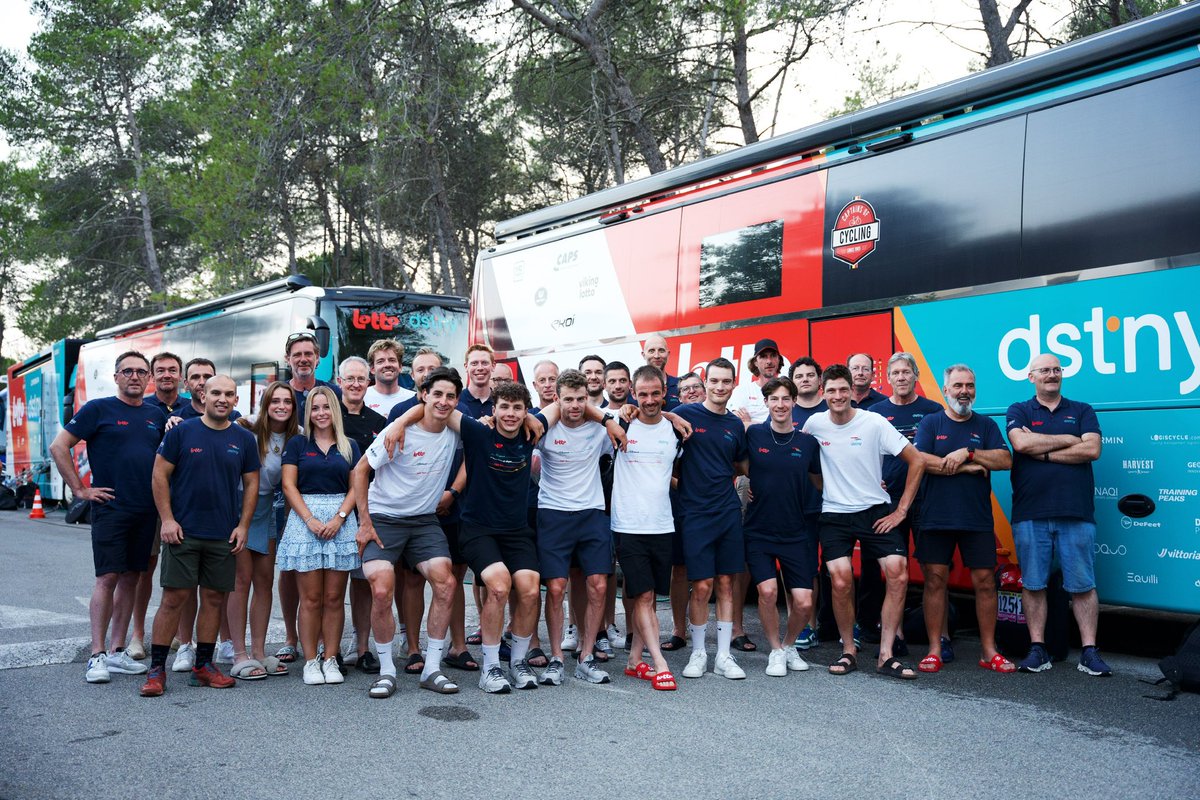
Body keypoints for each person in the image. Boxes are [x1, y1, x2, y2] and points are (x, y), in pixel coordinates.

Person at [802, 364, 924, 680]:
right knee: (840, 580)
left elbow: (917, 460)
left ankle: (885, 655)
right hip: (834, 515)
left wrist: (900, 511)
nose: (838, 395)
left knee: (898, 573)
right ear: (822, 393)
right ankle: (848, 650)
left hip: (875, 511)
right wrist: (825, 486)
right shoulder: (814, 424)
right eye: (831, 390)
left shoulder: (874, 423)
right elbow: (804, 463)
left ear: (851, 392)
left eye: (843, 389)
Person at [140, 375, 260, 696]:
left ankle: (203, 667)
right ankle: (156, 671)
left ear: (236, 401)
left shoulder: (244, 439)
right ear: (203, 396)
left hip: (223, 535)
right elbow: (159, 475)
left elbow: (252, 485)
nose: (222, 398)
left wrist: (243, 526)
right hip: (183, 532)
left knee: (213, 599)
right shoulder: (182, 432)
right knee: (174, 599)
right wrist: (167, 519)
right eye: (216, 392)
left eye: (229, 394)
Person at [50, 351, 164, 684]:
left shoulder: (155, 415)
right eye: (127, 371)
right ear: (116, 377)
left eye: (141, 372)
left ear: (148, 379)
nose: (134, 376)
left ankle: (116, 653)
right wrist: (80, 490)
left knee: (132, 578)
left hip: (146, 509)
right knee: (107, 579)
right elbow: (60, 446)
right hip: (111, 508)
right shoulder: (98, 409)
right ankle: (96, 655)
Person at [353, 367, 466, 698]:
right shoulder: (398, 432)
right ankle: (387, 671)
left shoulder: (456, 429)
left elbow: (481, 442)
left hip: (423, 521)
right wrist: (364, 522)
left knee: (446, 583)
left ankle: (432, 668)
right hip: (384, 518)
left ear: (457, 401)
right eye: (437, 394)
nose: (443, 401)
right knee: (381, 589)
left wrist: (454, 491)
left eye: (450, 396)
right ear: (423, 396)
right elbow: (360, 471)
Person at [1006, 353, 1111, 677]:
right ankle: (1038, 649)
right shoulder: (1019, 410)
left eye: (1056, 369)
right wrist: (1068, 441)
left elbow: (1092, 449)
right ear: (1031, 376)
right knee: (1034, 583)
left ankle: (1089, 652)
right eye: (1045, 370)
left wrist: (1045, 451)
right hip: (1031, 513)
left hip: (1075, 512)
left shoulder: (1082, 410)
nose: (1052, 374)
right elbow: (1021, 444)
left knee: (1083, 585)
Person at [914, 364, 1014, 673]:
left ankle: (988, 651)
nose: (964, 391)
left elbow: (1005, 459)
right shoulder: (932, 422)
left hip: (976, 518)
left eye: (969, 385)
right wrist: (970, 468)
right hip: (935, 516)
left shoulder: (985, 426)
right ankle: (934, 650)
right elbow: (920, 461)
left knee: (985, 583)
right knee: (934, 582)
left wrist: (969, 453)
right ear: (945, 390)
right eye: (958, 385)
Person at [533, 369, 616, 686]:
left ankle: (586, 655)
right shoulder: (545, 428)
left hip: (592, 512)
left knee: (598, 585)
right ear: (556, 399)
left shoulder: (599, 428)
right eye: (568, 399)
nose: (575, 405)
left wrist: (604, 417)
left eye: (581, 399)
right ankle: (556, 657)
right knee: (555, 588)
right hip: (553, 513)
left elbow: (626, 422)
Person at [277, 386, 362, 686]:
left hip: (340, 519)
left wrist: (340, 517)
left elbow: (356, 486)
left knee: (334, 597)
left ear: (335, 411)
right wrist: (310, 519)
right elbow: (289, 485)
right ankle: (311, 660)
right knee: (311, 598)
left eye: (326, 407)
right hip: (305, 519)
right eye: (315, 408)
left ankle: (331, 658)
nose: (321, 413)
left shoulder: (349, 445)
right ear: (308, 412)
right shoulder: (298, 444)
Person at [672, 357, 749, 681]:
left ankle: (724, 656)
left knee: (726, 584)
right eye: (714, 381)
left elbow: (744, 465)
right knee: (701, 585)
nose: (719, 387)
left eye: (725, 382)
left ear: (733, 384)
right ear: (706, 384)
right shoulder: (685, 414)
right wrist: (666, 416)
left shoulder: (734, 425)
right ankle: (699, 653)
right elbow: (655, 420)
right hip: (694, 513)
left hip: (727, 511)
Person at [861, 352, 942, 653]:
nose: (901, 377)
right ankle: (895, 636)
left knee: (934, 570)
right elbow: (863, 452)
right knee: (894, 570)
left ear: (916, 375)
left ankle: (941, 639)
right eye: (895, 373)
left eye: (907, 372)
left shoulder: (934, 411)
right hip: (887, 504)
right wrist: (872, 478)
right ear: (889, 378)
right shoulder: (876, 412)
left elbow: (940, 455)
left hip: (926, 500)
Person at [741, 377, 822, 676]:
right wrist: (741, 482)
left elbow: (821, 480)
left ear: (794, 402)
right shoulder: (753, 434)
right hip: (759, 530)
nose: (780, 405)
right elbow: (736, 462)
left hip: (796, 531)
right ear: (766, 403)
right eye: (774, 399)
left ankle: (789, 646)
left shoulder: (807, 442)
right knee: (768, 591)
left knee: (803, 602)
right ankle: (775, 650)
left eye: (785, 399)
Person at [612, 365, 681, 690]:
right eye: (643, 394)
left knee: (649, 599)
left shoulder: (676, 430)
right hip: (628, 524)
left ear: (665, 392)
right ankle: (660, 662)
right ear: (633, 394)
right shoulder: (620, 424)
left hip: (663, 525)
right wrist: (626, 411)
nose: (650, 400)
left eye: (656, 393)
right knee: (644, 596)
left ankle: (633, 660)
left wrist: (670, 416)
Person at [227, 381, 299, 680]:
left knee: (264, 581)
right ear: (266, 404)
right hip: (242, 506)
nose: (281, 406)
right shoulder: (247, 430)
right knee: (240, 581)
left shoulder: (298, 436)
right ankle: (239, 653)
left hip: (269, 508)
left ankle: (258, 651)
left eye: (287, 401)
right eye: (275, 401)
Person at [276, 331, 340, 664]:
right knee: (291, 571)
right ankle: (291, 638)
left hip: (329, 486)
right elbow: (259, 425)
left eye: (309, 354)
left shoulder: (333, 393)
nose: (303, 359)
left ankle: (329, 646)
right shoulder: (282, 393)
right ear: (288, 358)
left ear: (317, 358)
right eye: (297, 354)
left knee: (329, 589)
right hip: (290, 493)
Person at [129, 351, 186, 659]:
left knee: (183, 574)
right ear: (152, 376)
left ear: (181, 376)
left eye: (172, 370)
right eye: (160, 370)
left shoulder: (192, 408)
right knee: (144, 570)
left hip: (186, 503)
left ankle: (180, 635)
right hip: (151, 503)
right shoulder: (142, 407)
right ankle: (138, 636)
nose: (166, 374)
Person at [338, 356, 389, 675]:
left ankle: (362, 648)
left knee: (361, 582)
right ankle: (326, 649)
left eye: (361, 378)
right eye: (349, 378)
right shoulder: (328, 415)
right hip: (330, 508)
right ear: (339, 382)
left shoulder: (378, 421)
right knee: (328, 586)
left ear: (368, 382)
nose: (356, 384)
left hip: (365, 509)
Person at [788, 356, 828, 651]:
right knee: (804, 569)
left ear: (819, 381)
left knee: (837, 569)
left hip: (832, 504)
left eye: (810, 375)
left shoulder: (833, 410)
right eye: (799, 375)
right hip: (797, 505)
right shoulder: (785, 411)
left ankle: (843, 624)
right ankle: (807, 625)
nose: (805, 379)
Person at [730, 338, 784, 426]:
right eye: (763, 356)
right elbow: (735, 423)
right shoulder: (743, 390)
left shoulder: (787, 391)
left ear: (779, 360)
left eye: (773, 356)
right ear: (755, 362)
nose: (769, 361)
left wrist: (750, 423)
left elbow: (786, 425)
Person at [363, 339, 414, 417]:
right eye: (380, 361)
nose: (387, 365)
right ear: (372, 369)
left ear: (400, 367)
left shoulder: (413, 399)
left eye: (392, 360)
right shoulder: (362, 397)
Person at [641, 333, 680, 409]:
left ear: (668, 354)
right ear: (643, 355)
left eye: (661, 351)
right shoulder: (633, 390)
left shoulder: (680, 385)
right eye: (651, 351)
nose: (657, 356)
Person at [459, 344, 496, 418]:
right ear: (466, 367)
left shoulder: (501, 401)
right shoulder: (456, 401)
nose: (480, 368)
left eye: (485, 363)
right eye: (474, 363)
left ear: (493, 366)